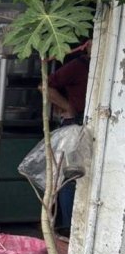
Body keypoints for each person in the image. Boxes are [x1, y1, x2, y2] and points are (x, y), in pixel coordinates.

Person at [41, 40, 91, 230]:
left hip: (90, 126)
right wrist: (66, 106)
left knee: (86, 177)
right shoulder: (77, 66)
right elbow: (45, 85)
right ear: (86, 46)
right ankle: (69, 227)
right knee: (70, 178)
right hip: (74, 126)